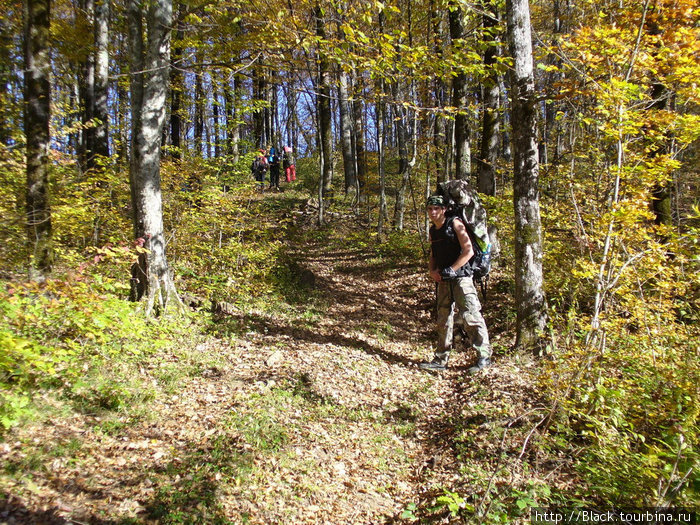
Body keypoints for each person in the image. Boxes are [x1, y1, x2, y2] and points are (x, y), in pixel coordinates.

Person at [420, 194, 492, 374]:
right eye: (430, 209)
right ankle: (440, 359)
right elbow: (433, 254)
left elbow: (468, 251)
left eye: (436, 208)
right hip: (444, 280)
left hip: (462, 278)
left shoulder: (455, 224)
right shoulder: (433, 230)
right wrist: (432, 270)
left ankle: (483, 357)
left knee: (471, 316)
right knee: (443, 319)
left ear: (443, 209)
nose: (433, 212)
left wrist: (453, 269)